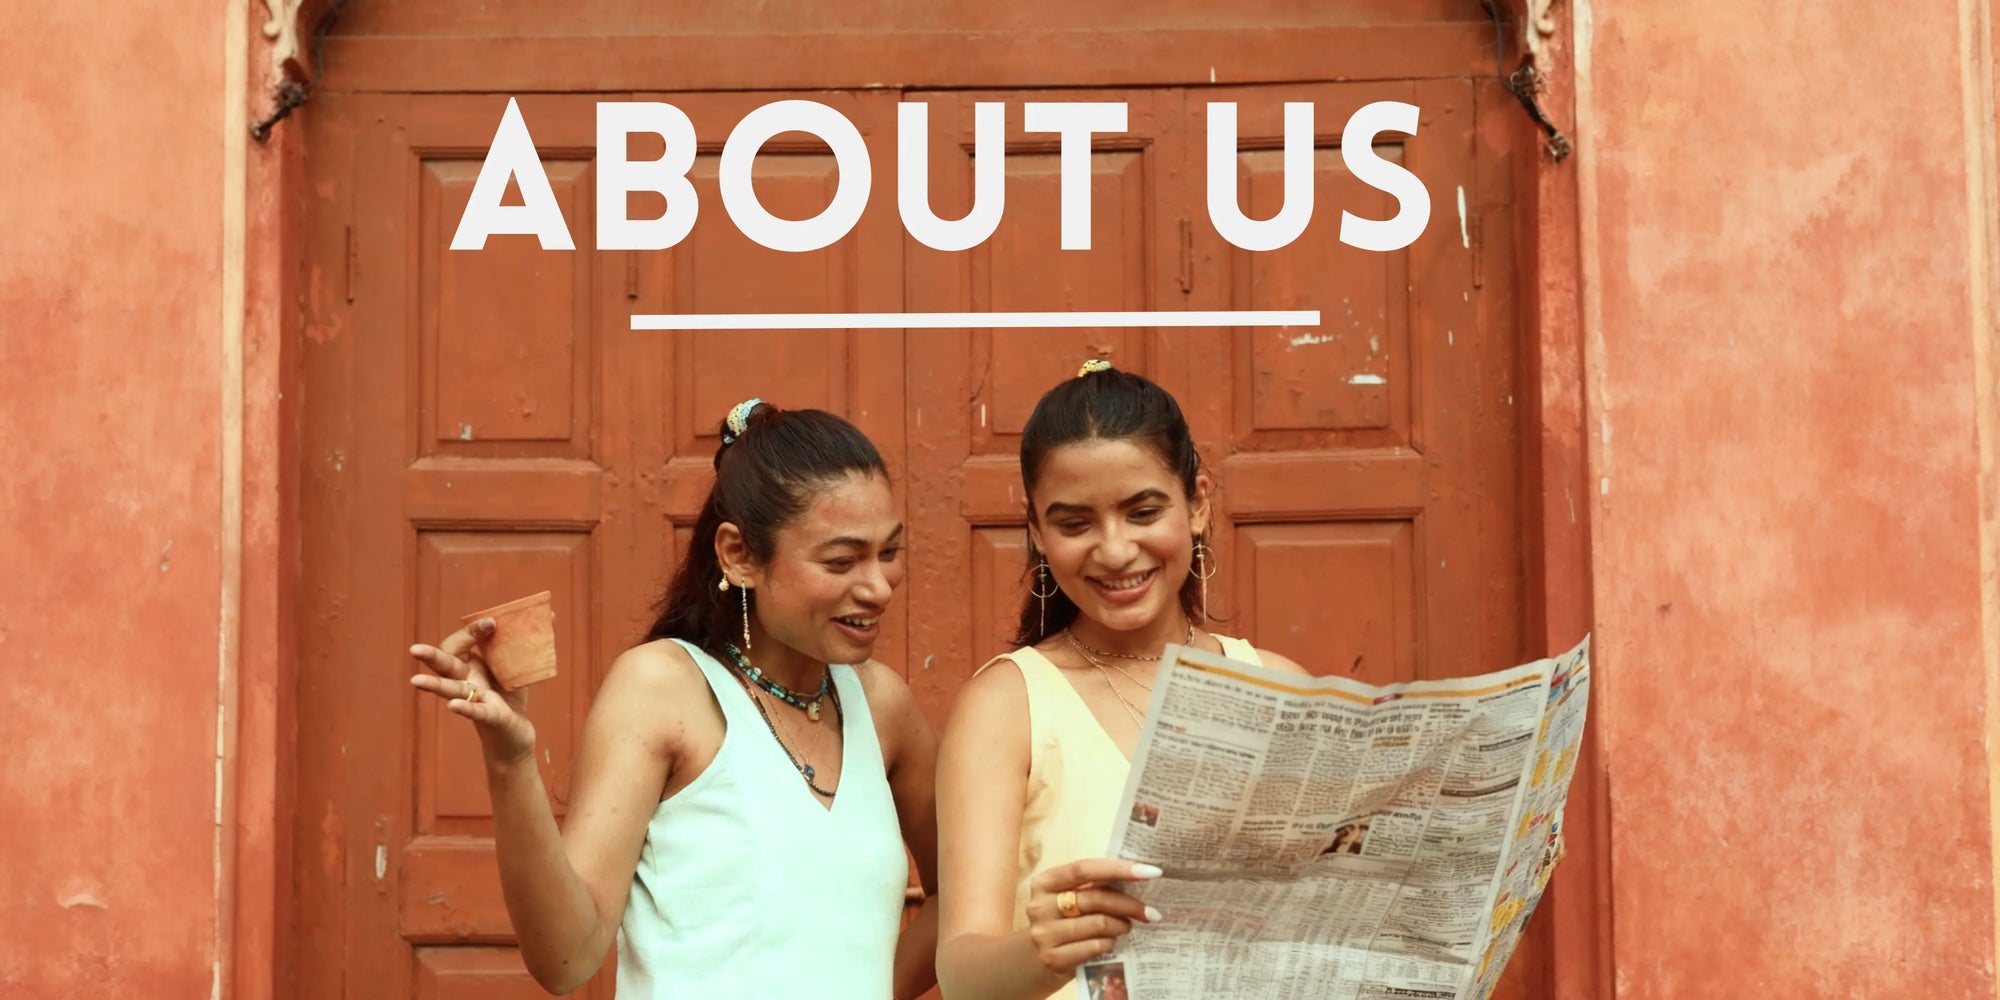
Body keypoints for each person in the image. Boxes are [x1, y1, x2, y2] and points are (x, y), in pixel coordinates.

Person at [408, 399, 938, 999]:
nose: (878, 587)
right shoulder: (663, 689)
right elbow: (566, 958)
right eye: (841, 561)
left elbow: (962, 896)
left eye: (888, 553)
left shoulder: (882, 706)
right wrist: (511, 759)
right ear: (738, 556)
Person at [934, 360, 1311, 1000]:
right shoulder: (1006, 706)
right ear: (1036, 531)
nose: (1113, 551)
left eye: (1142, 512)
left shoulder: (1280, 687)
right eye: (1074, 524)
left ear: (1198, 503)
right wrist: (1045, 950)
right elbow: (962, 975)